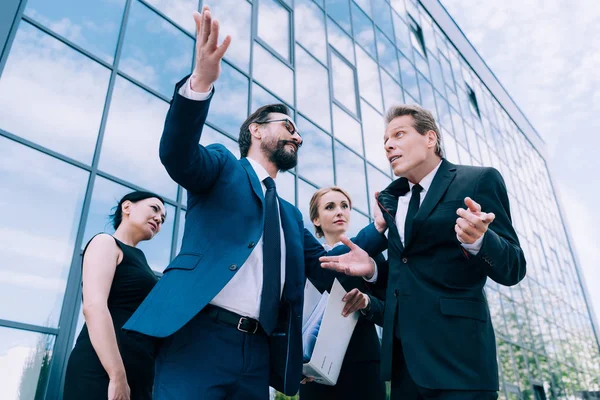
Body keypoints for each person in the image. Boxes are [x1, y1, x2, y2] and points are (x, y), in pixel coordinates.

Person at [122, 6, 386, 400]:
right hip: (198, 339)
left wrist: (375, 242)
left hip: (258, 354)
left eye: (299, 135)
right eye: (289, 128)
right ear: (256, 130)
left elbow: (328, 267)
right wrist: (199, 86)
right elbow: (177, 154)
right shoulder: (222, 166)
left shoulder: (291, 217)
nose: (297, 138)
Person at [320, 104, 527, 400]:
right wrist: (374, 269)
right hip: (405, 369)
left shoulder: (478, 180)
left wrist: (480, 240)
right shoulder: (393, 200)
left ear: (430, 138)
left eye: (399, 134)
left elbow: (514, 267)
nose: (389, 145)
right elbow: (408, 275)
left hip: (461, 364)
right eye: (385, 141)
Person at [64, 191, 167, 400]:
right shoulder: (105, 243)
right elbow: (93, 307)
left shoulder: (141, 260)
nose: (159, 218)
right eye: (154, 209)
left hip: (136, 376)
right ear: (127, 207)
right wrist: (117, 376)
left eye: (163, 219)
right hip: (102, 371)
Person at [300, 187, 386, 400]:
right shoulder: (304, 260)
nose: (340, 211)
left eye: (344, 206)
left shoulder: (371, 256)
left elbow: (390, 311)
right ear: (316, 219)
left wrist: (367, 302)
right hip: (313, 371)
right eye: (330, 207)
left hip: (363, 366)